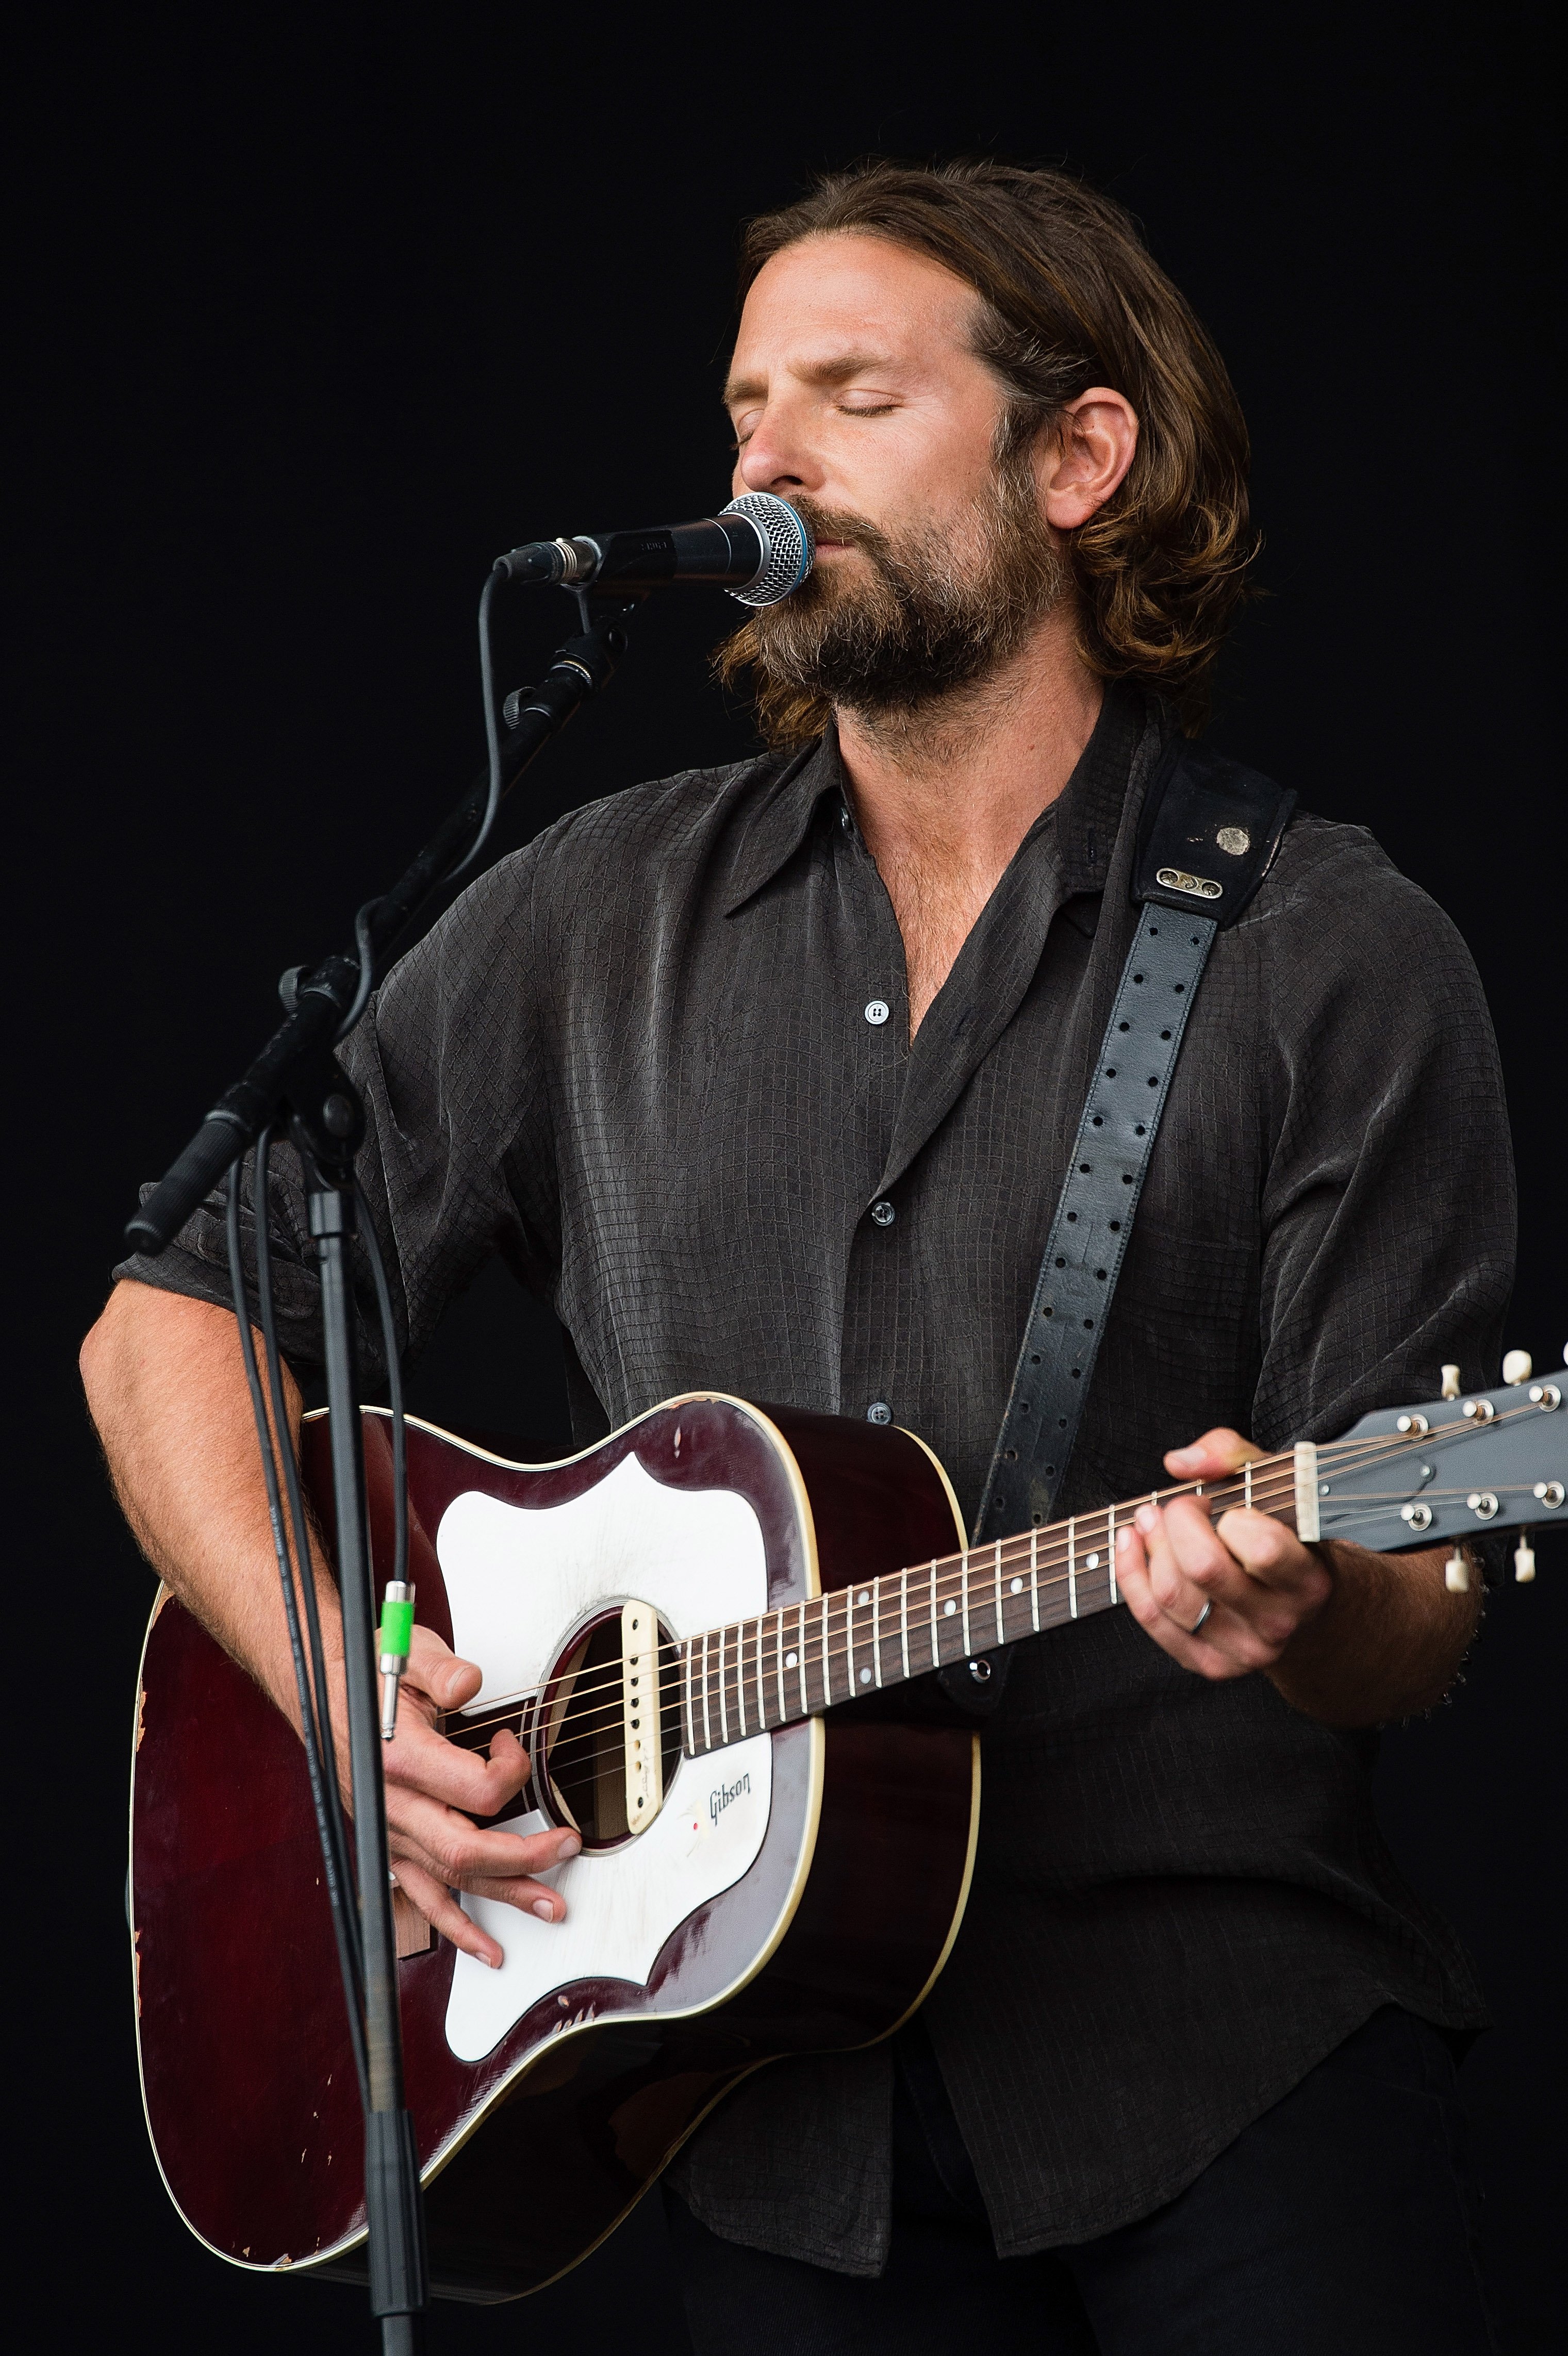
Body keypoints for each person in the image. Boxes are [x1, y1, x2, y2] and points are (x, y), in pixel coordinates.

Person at [81, 161, 1510, 2352]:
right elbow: (167, 1312)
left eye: (849, 395)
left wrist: (1304, 1599)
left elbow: (1416, 1610)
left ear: (1076, 456)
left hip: (1228, 2079)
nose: (760, 459)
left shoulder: (1329, 955)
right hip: (754, 2118)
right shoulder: (595, 912)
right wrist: (337, 1691)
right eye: (745, 406)